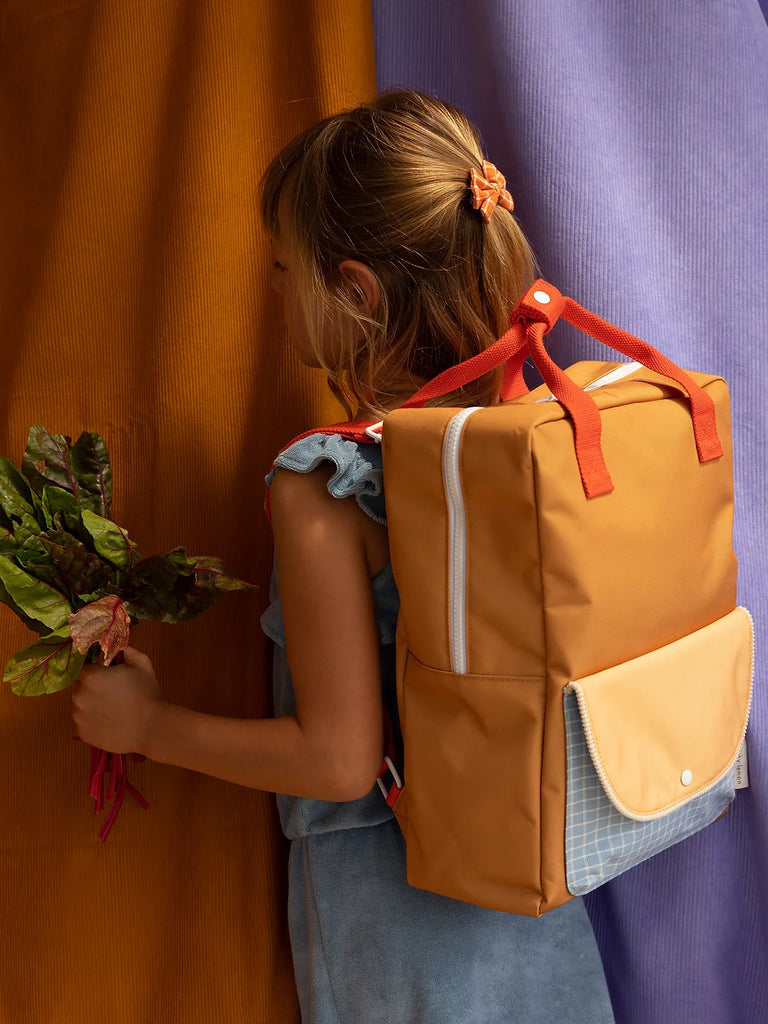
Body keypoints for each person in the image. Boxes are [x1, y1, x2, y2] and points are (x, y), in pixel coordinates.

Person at [72, 90, 615, 1024]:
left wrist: (146, 725)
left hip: (404, 915)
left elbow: (337, 760)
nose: (273, 289)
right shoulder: (524, 432)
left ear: (356, 293)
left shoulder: (328, 480)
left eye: (284, 268)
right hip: (537, 883)